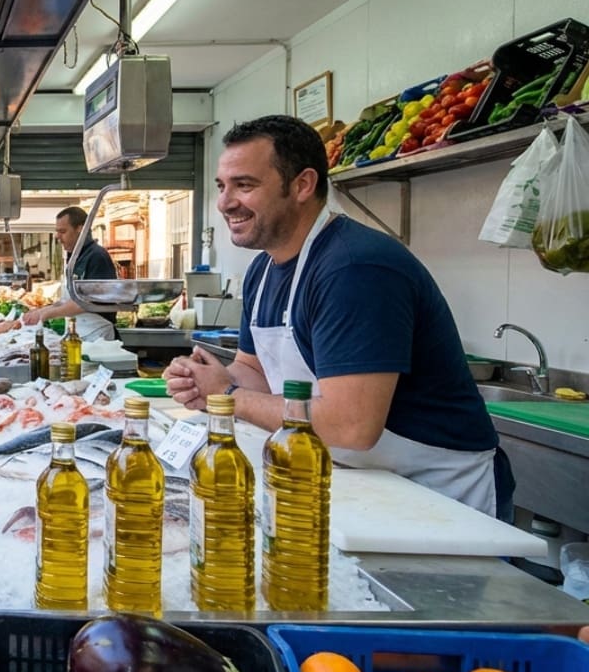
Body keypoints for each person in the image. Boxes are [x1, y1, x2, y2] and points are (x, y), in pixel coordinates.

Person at [163, 114, 511, 518]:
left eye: (245, 185)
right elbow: (253, 370)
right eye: (222, 187)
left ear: (302, 185)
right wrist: (207, 380)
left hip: (436, 494)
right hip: (353, 479)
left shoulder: (354, 269)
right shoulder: (263, 269)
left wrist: (227, 397)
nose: (225, 203)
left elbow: (352, 426)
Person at [19, 205, 118, 341]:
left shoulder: (97, 256)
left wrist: (45, 315)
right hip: (79, 334)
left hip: (97, 335)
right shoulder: (75, 257)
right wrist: (39, 311)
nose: (57, 237)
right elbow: (68, 301)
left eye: (63, 231)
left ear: (80, 229)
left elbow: (84, 302)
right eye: (57, 231)